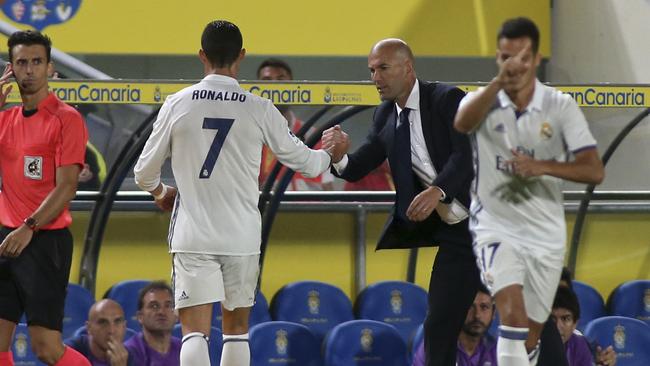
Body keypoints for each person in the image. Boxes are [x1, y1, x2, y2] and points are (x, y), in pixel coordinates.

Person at [133, 20, 341, 366]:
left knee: (194, 333)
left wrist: (160, 191)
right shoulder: (258, 107)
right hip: (242, 234)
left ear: (201, 55)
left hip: (193, 233)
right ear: (241, 56)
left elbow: (143, 172)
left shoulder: (178, 103)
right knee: (236, 330)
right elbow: (308, 163)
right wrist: (331, 152)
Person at [453, 17, 605, 366]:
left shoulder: (560, 106)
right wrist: (496, 84)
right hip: (495, 225)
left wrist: (543, 167)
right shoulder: (484, 100)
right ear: (498, 57)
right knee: (513, 318)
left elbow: (594, 169)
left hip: (544, 233)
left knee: (531, 333)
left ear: (536, 59)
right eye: (505, 57)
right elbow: (461, 122)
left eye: (521, 58)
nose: (513, 66)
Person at [323, 38, 480, 366]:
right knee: (439, 324)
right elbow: (359, 165)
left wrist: (438, 190)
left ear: (407, 69)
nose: (375, 77)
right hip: (458, 236)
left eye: (382, 68)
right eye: (371, 70)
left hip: (495, 224)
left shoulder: (446, 99)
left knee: (529, 317)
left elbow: (468, 154)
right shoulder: (384, 116)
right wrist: (338, 158)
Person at [0, 30, 90, 366]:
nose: (30, 70)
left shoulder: (67, 119)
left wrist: (29, 227)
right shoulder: (4, 119)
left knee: (46, 347)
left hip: (44, 241)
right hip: (6, 239)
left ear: (50, 67)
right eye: (22, 62)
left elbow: (67, 187)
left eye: (37, 62)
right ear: (11, 68)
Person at [256, 58, 335, 191]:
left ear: (292, 86)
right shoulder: (251, 136)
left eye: (281, 79)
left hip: (307, 211)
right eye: (267, 81)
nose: (274, 87)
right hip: (264, 211)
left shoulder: (313, 136)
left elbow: (327, 188)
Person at [413, 286, 497, 366]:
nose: (477, 315)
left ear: (493, 313)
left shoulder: (497, 350)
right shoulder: (435, 348)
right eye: (469, 307)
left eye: (484, 307)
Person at [124, 282, 180, 365]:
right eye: (154, 306)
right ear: (140, 317)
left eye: (168, 306)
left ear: (176, 315)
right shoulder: (130, 353)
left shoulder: (183, 349)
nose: (162, 312)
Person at [65, 299, 134, 366]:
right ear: (89, 328)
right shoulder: (70, 352)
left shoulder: (130, 356)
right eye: (103, 322)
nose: (111, 330)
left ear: (124, 327)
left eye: (117, 322)